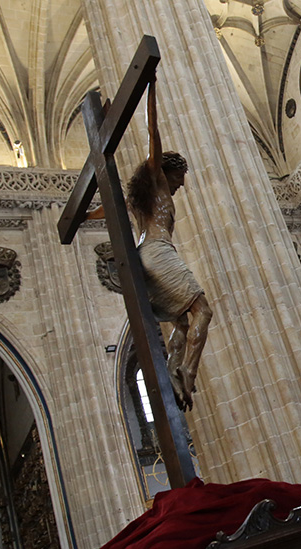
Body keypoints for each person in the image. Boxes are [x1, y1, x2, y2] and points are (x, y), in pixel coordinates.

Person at [90, 77, 213, 410]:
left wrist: (82, 217)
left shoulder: (137, 201)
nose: (179, 187)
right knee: (203, 311)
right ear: (166, 172)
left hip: (144, 257)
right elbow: (153, 133)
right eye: (178, 180)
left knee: (182, 323)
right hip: (159, 252)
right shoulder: (156, 179)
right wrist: (151, 86)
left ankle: (173, 369)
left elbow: (107, 207)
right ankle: (188, 370)